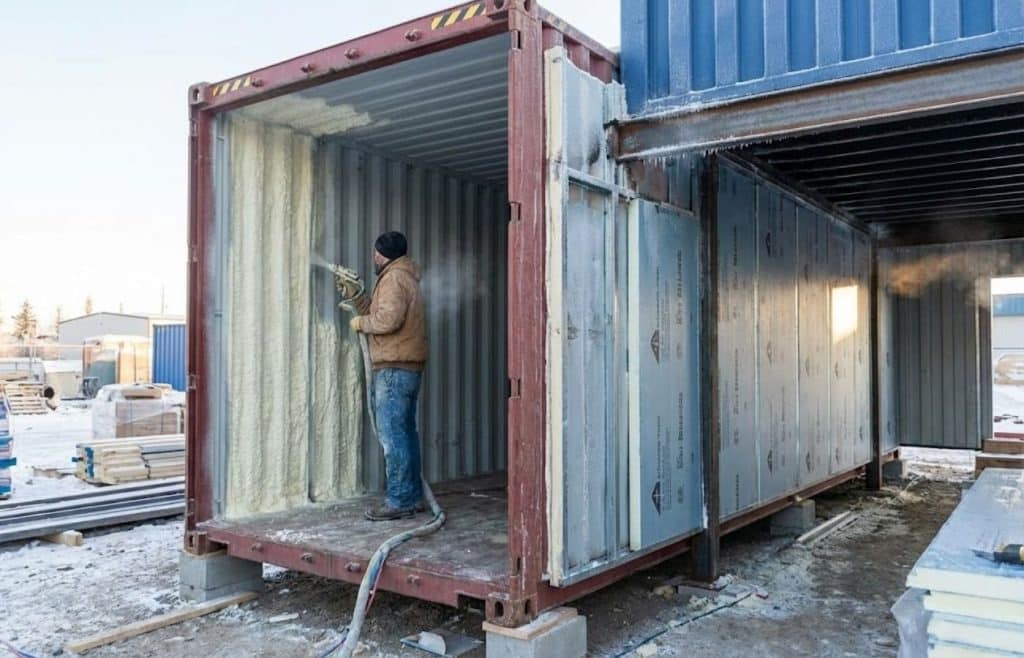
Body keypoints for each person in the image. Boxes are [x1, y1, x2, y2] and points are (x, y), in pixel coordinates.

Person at [349, 231, 428, 521]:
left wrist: (360, 322)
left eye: (375, 253)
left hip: (394, 368)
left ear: (383, 254)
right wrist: (358, 298)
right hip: (404, 366)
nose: (373, 258)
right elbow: (382, 311)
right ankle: (411, 497)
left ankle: (399, 500)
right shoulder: (403, 276)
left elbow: (387, 320)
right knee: (405, 433)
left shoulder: (394, 278)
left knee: (394, 436)